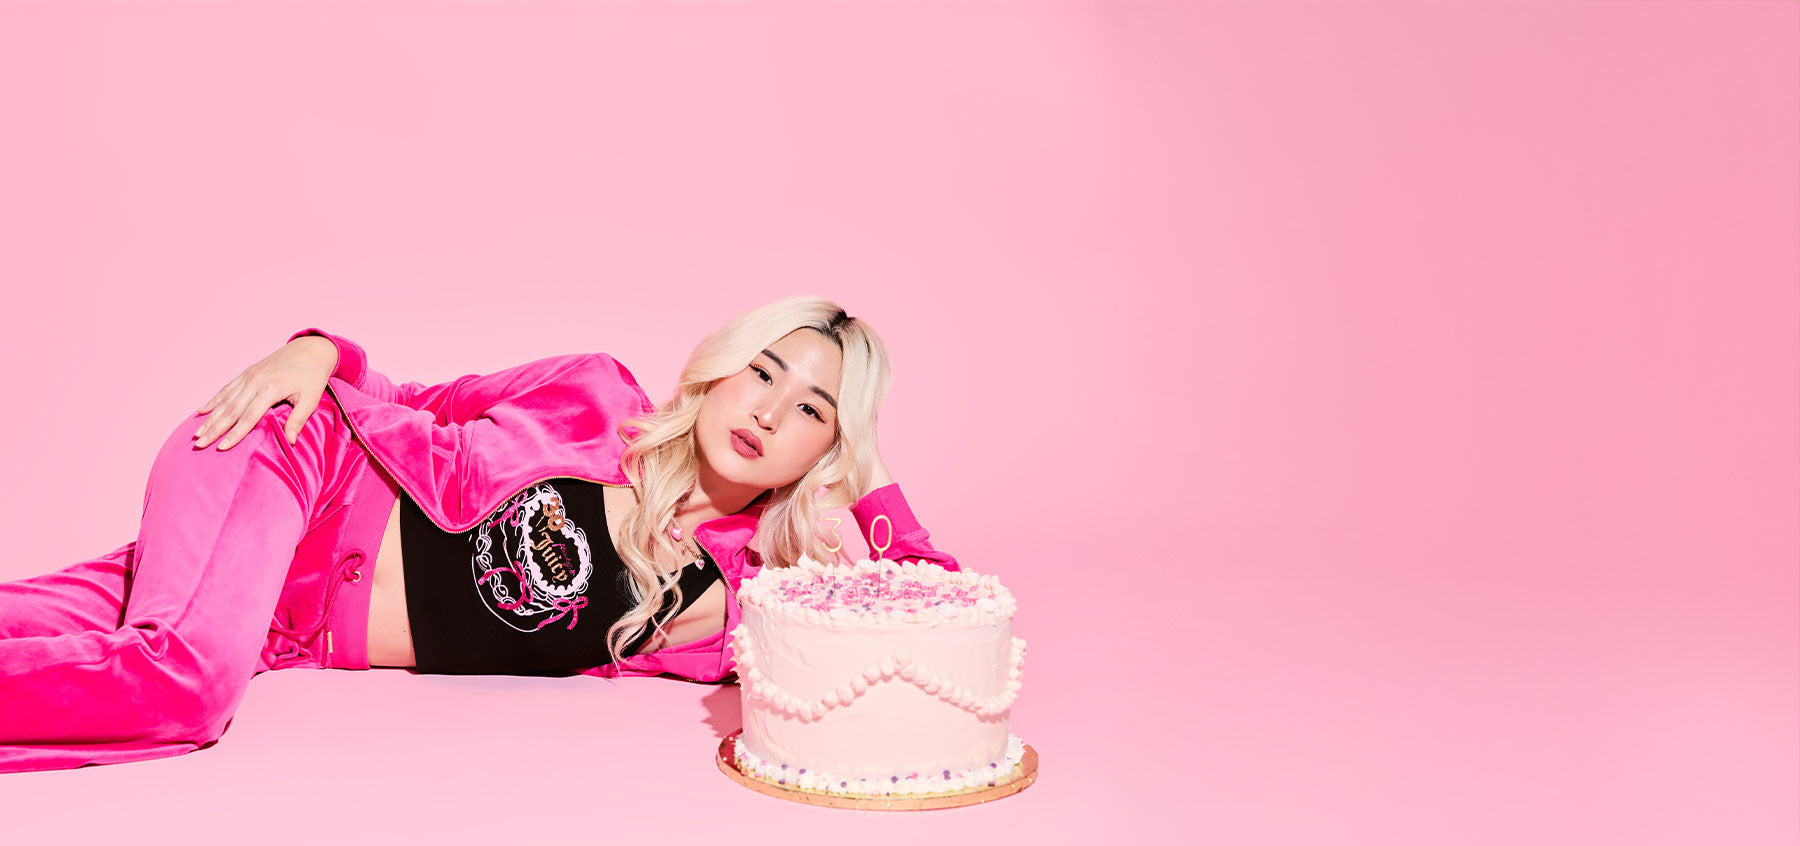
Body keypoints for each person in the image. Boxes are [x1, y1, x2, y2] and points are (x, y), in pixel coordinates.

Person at [0, 295, 957, 773]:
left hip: (281, 624)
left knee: (69, 640)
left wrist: (868, 480)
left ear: (824, 452)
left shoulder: (729, 609)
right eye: (763, 373)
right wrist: (315, 349)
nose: (768, 411)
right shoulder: (594, 393)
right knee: (179, 686)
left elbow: (929, 609)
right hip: (296, 464)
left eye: (811, 410)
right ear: (719, 371)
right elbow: (414, 398)